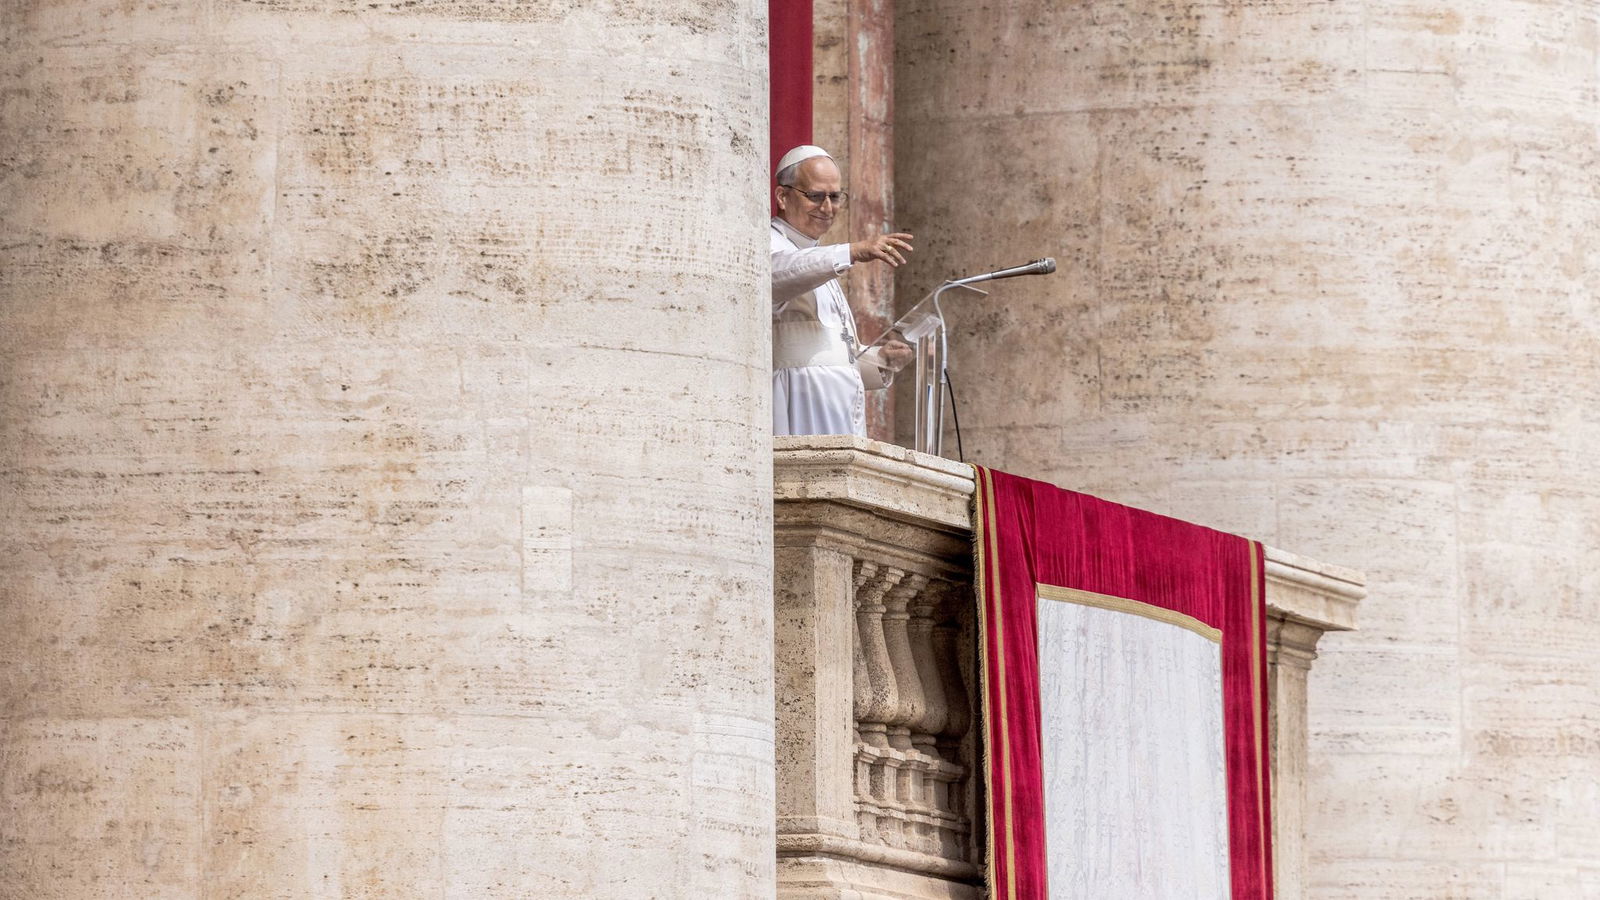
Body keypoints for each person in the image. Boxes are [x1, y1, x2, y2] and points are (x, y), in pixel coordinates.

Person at [770, 145, 915, 437]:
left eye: (834, 197)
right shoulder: (770, 242)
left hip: (836, 405)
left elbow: (831, 356)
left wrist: (881, 359)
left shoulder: (818, 256)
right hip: (796, 398)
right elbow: (778, 273)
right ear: (782, 197)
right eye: (815, 196)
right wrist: (852, 251)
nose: (827, 208)